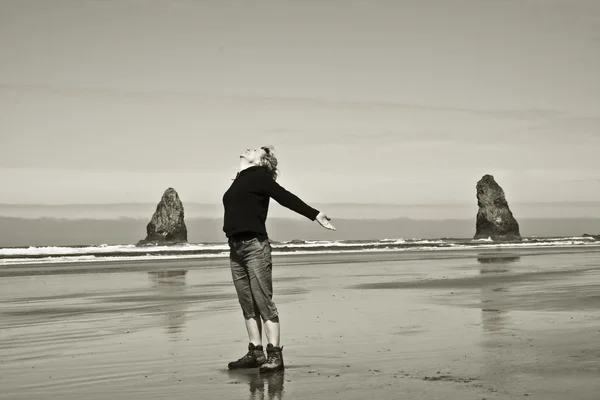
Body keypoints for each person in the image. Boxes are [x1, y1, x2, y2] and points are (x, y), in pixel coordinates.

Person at [222, 145, 335, 373]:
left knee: (263, 302)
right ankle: (255, 352)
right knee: (247, 303)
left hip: (255, 247)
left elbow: (285, 197)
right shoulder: (239, 180)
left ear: (262, 161)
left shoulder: (260, 177)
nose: (249, 148)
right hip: (235, 248)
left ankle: (275, 354)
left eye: (255, 150)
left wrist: (314, 215)